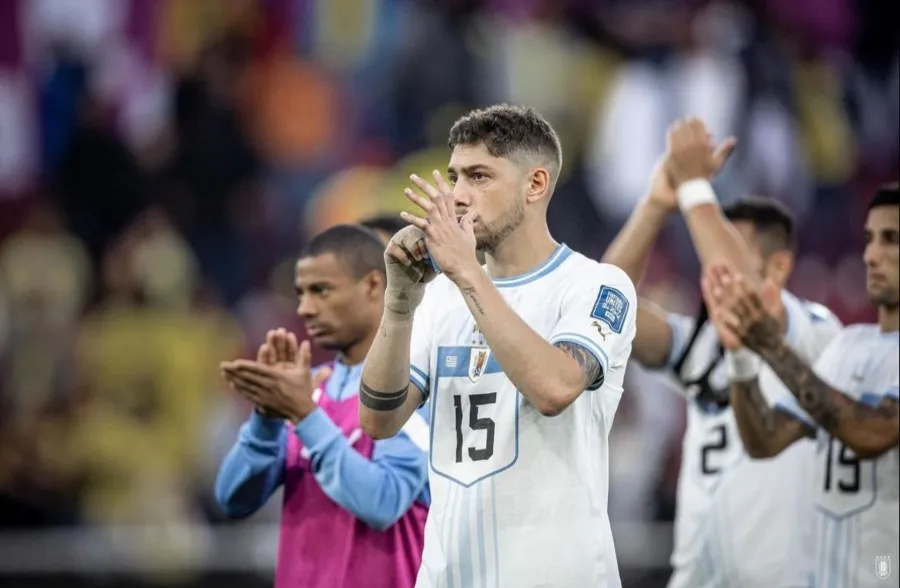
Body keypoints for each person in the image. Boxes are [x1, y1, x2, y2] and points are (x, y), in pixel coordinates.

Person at [358, 104, 637, 588]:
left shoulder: (595, 286)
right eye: (454, 177)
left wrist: (466, 272)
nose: (458, 196)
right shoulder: (441, 296)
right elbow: (378, 420)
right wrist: (400, 301)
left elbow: (554, 388)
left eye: (480, 177)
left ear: (535, 185)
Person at [601, 118, 842, 588]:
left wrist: (695, 186)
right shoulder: (700, 345)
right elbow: (602, 310)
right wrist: (654, 206)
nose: (715, 264)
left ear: (779, 267)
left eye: (727, 247)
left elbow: (751, 301)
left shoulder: (814, 332)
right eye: (709, 244)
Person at [703, 184, 899, 588]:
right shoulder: (848, 344)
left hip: (886, 569)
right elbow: (765, 439)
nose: (870, 255)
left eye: (891, 239)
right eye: (868, 239)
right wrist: (740, 355)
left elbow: (871, 431)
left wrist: (771, 346)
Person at [214, 224, 430, 588]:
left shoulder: (413, 387)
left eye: (321, 291)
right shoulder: (310, 387)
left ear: (374, 286)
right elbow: (232, 500)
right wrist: (266, 418)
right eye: (300, 294)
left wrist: (304, 416)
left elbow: (383, 501)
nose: (305, 309)